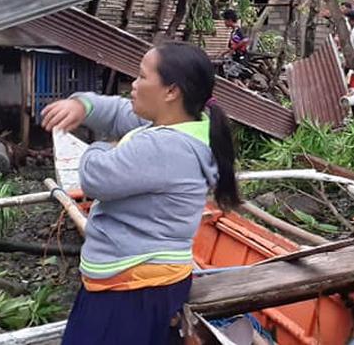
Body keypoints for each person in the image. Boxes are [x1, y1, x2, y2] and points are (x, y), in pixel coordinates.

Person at [40, 42, 241, 345]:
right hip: (141, 279)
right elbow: (121, 113)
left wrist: (103, 147)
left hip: (133, 286)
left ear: (171, 91)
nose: (133, 85)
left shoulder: (165, 146)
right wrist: (84, 105)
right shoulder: (187, 122)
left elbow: (95, 177)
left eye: (142, 77)